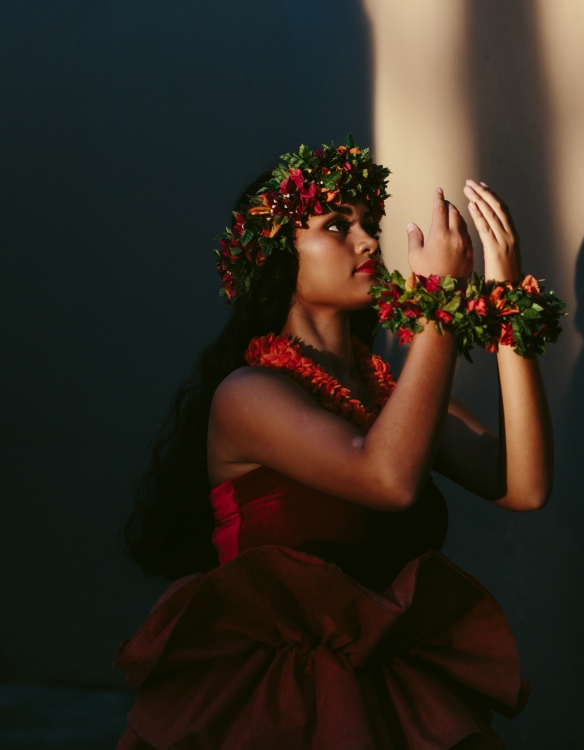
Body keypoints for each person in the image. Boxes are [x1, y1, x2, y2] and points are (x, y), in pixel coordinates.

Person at [116, 139, 558, 749]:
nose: (370, 240)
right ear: (277, 258)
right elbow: (388, 478)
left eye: (369, 223)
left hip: (386, 695)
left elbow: (524, 483)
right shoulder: (247, 394)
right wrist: (440, 309)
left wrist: (504, 300)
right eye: (335, 225)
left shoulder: (388, 398)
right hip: (275, 710)